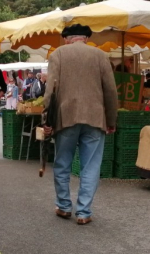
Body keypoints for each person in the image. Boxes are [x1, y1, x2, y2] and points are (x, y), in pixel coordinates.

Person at [43, 24, 118, 225]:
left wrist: (47, 120)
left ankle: (64, 206)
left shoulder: (58, 54)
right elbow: (111, 91)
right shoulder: (100, 55)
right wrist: (111, 120)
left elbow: (50, 91)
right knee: (91, 166)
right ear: (86, 38)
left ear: (66, 39)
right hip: (95, 118)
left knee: (62, 163)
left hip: (66, 117)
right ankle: (84, 212)